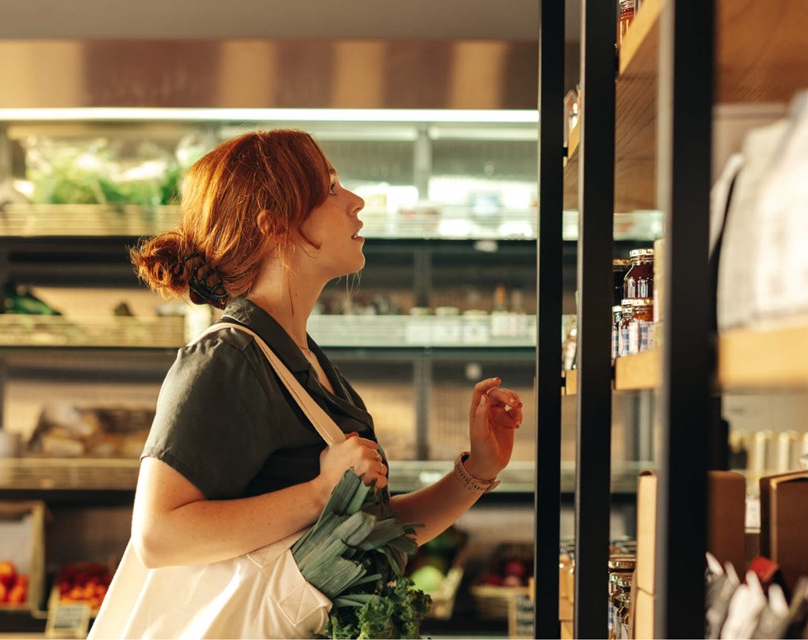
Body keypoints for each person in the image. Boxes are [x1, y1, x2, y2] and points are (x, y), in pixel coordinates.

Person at [128, 128, 524, 572]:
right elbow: (158, 537)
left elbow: (372, 534)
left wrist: (477, 472)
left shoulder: (301, 359)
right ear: (273, 225)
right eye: (330, 188)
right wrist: (320, 492)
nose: (356, 200)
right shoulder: (228, 358)